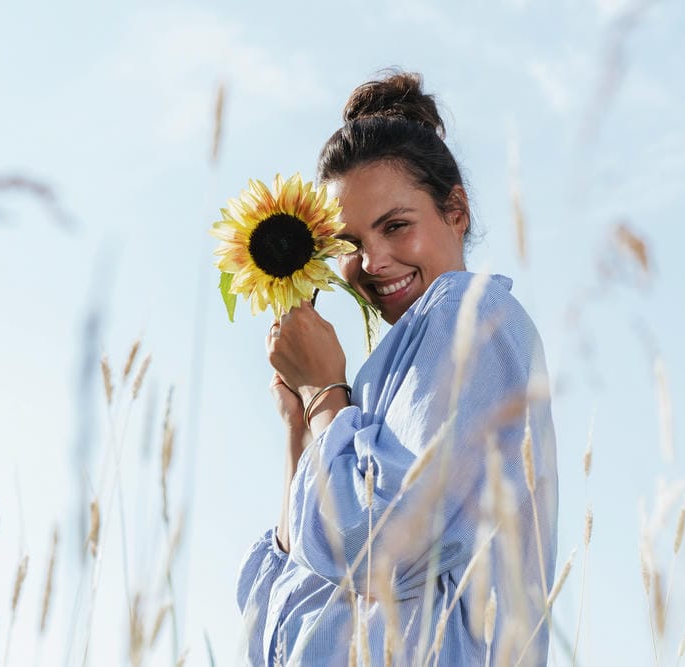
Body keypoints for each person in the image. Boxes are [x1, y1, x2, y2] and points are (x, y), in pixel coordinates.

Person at [237, 71, 558, 666]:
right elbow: (279, 625)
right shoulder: (389, 384)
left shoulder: (468, 316)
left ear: (455, 210)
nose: (373, 261)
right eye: (350, 243)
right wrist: (301, 423)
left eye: (396, 226)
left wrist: (326, 393)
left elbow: (379, 547)